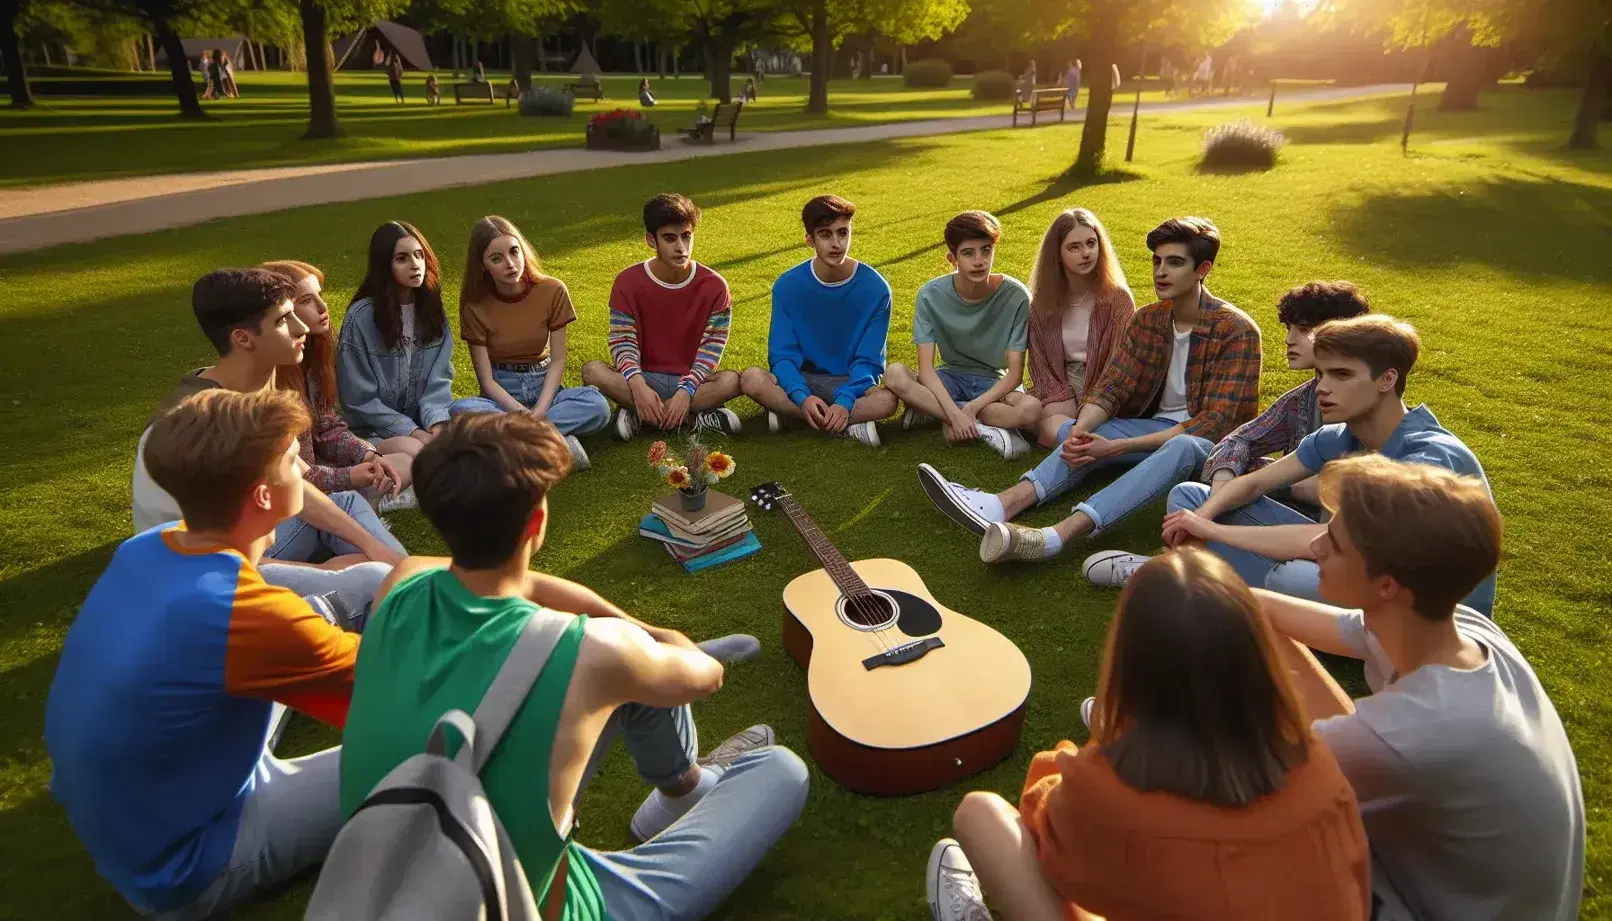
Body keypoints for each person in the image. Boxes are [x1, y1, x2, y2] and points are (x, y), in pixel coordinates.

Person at [340, 412, 810, 920]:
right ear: (536, 522)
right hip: (534, 906)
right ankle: (684, 792)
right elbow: (703, 676)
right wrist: (659, 642)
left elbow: (525, 586)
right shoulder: (594, 653)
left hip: (397, 881)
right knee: (780, 770)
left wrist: (635, 629)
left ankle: (682, 792)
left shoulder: (400, 584)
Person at [48, 388, 388, 921]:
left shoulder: (155, 544)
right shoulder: (239, 615)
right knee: (438, 752)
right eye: (295, 461)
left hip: (143, 809)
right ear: (262, 496)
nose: (306, 468)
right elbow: (400, 695)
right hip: (186, 862)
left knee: (365, 580)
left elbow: (325, 600)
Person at [926, 547, 1370, 921]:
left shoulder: (1101, 789)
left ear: (1130, 660)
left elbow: (1045, 826)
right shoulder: (1321, 768)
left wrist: (1077, 758)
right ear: (1255, 657)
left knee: (979, 813)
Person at [1254, 455, 1583, 921]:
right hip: (1454, 885)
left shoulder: (1412, 731)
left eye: (1336, 543)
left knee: (1250, 843)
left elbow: (1235, 781)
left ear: (1387, 585)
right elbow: (1270, 613)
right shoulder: (1457, 624)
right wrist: (1219, 588)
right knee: (1260, 634)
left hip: (1421, 904)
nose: (1315, 544)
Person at [918, 216, 1261, 564]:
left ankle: (1056, 536)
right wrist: (1081, 431)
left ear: (1203, 269)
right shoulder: (1149, 319)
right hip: (1153, 429)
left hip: (1212, 451)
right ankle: (1002, 503)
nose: (1161, 272)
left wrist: (1118, 447)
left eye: (1174, 263)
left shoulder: (1236, 331)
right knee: (1080, 432)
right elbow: (1113, 385)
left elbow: (1213, 425)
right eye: (1157, 261)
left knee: (1183, 446)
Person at [1140, 314, 1498, 615]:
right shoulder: (1340, 435)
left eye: (1342, 375)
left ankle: (1196, 578)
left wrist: (1212, 532)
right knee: (1190, 498)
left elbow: (1324, 538)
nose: (1323, 388)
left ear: (1386, 380)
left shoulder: (1426, 456)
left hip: (1423, 609)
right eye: (1321, 375)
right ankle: (1204, 580)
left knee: (1289, 577)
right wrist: (1201, 518)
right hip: (1356, 565)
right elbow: (1251, 484)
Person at [1077, 280, 1371, 587]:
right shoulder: (1304, 399)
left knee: (1291, 576)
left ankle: (1182, 571)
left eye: (1304, 329)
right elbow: (1238, 440)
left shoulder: (1373, 416)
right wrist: (1211, 509)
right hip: (1293, 523)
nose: (1288, 339)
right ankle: (1192, 569)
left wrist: (1274, 480)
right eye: (1288, 328)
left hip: (1336, 543)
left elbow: (1336, 496)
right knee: (1188, 496)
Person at [132, 268, 406, 568]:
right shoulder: (212, 422)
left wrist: (377, 551)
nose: (301, 328)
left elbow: (295, 479)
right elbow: (229, 555)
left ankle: (403, 572)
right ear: (243, 338)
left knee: (349, 510)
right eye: (281, 320)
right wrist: (324, 570)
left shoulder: (251, 386)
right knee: (368, 580)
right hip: (199, 570)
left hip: (245, 542)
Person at [447, 215, 611, 468]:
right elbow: (487, 381)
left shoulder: (553, 290)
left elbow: (558, 360)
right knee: (460, 411)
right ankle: (555, 443)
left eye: (514, 252)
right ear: (482, 266)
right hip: (503, 393)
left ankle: (518, 444)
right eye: (496, 259)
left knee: (597, 406)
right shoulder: (474, 306)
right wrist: (520, 412)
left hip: (546, 386)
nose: (510, 264)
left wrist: (541, 409)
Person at [739, 194, 898, 447]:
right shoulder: (788, 285)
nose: (836, 243)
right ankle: (840, 422)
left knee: (888, 400)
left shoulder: (876, 288)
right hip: (806, 379)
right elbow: (782, 355)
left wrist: (846, 401)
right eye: (826, 235)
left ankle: (796, 417)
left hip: (851, 382)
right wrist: (801, 396)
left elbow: (869, 361)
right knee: (751, 378)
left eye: (843, 233)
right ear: (810, 240)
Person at [581, 193, 743, 439]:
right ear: (650, 240)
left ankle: (641, 415)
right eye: (670, 238)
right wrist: (637, 385)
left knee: (732, 381)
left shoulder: (715, 286)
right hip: (644, 377)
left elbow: (712, 349)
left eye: (686, 236)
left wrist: (685, 391)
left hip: (692, 381)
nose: (681, 247)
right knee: (593, 371)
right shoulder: (628, 282)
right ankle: (694, 418)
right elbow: (622, 341)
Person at [261, 260, 416, 512]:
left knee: (404, 461)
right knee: (364, 484)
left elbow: (327, 427)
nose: (323, 307)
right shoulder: (268, 381)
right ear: (281, 313)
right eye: (306, 301)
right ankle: (366, 503)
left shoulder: (312, 358)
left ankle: (369, 498)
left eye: (319, 296)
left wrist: (367, 456)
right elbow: (294, 476)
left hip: (323, 467)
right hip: (296, 489)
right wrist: (350, 476)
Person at [883, 210, 1040, 460]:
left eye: (986, 250)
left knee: (1030, 410)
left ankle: (935, 412)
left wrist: (970, 409)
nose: (979, 261)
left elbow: (1014, 375)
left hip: (994, 384)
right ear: (952, 258)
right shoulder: (930, 295)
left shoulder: (1016, 296)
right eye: (968, 253)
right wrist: (955, 415)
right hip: (950, 376)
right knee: (894, 374)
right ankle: (977, 427)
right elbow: (925, 370)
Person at [336, 220, 453, 473]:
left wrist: (437, 426)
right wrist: (413, 432)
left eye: (419, 255)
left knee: (474, 426)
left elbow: (438, 380)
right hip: (371, 429)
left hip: (421, 420)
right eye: (402, 258)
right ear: (384, 266)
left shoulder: (432, 311)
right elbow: (358, 399)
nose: (415, 265)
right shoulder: (362, 317)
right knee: (417, 455)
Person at [1023, 208, 1135, 449]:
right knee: (1035, 411)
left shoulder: (1117, 299)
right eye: (1074, 247)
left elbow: (1120, 364)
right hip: (1060, 379)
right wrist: (1059, 395)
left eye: (1091, 243)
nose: (1086, 253)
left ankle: (1053, 435)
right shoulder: (1042, 302)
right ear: (1058, 255)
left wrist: (1089, 401)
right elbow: (1040, 363)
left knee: (1054, 421)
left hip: (1104, 382)